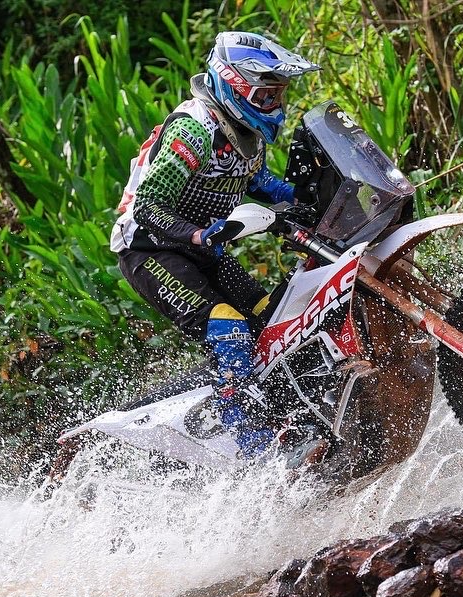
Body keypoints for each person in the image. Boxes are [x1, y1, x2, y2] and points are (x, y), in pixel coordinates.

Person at [110, 32, 319, 459]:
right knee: (227, 323)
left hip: (203, 248)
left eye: (278, 96)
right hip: (149, 249)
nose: (274, 107)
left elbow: (260, 184)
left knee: (274, 319)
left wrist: (311, 197)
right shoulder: (193, 130)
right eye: (265, 95)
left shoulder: (245, 131)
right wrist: (198, 235)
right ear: (232, 85)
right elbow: (149, 206)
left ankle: (292, 416)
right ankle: (249, 442)